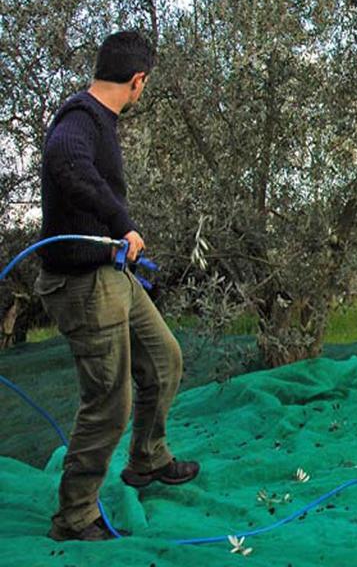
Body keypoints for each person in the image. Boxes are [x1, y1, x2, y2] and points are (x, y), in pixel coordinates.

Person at [35, 31, 199, 542]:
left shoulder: (98, 120)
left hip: (112, 274)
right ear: (137, 80)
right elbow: (65, 162)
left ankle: (147, 459)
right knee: (109, 401)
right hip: (82, 282)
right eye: (143, 85)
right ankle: (76, 515)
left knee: (164, 359)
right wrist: (120, 220)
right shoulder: (80, 119)